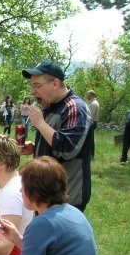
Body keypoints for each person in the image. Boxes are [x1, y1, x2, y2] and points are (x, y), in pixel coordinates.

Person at [21, 60, 93, 212]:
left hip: (67, 196)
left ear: (55, 83)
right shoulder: (49, 106)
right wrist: (35, 148)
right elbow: (52, 141)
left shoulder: (75, 107)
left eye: (37, 85)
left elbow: (67, 149)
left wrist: (40, 123)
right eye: (31, 85)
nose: (33, 91)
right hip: (45, 194)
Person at [86, 90, 99, 158]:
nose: (87, 96)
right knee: (89, 138)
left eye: (88, 95)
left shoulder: (94, 103)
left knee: (90, 138)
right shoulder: (92, 103)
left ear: (91, 95)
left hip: (91, 122)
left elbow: (90, 115)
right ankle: (90, 154)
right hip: (91, 122)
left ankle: (91, 154)